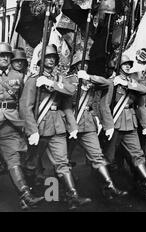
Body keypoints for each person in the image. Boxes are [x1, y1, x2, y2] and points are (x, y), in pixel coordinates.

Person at [19, 45, 92, 211]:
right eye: (48, 57)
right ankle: (27, 196)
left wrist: (51, 83)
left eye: (54, 57)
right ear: (41, 60)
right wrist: (32, 130)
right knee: (31, 163)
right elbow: (25, 107)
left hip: (57, 126)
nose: (51, 60)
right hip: (40, 126)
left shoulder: (59, 79)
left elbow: (71, 91)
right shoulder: (33, 80)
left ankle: (72, 196)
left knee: (62, 161)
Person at [102, 55, 146, 196]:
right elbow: (105, 105)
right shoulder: (112, 82)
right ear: (118, 66)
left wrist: (127, 85)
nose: (127, 66)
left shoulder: (133, 82)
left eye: (129, 64)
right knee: (109, 157)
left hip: (130, 123)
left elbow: (144, 91)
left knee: (137, 153)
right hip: (115, 123)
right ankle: (105, 185)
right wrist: (108, 125)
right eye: (124, 64)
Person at [65, 54, 127, 200]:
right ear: (75, 64)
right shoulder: (68, 80)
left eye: (87, 62)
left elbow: (108, 84)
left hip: (87, 123)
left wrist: (88, 77)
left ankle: (109, 186)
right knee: (63, 158)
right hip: (70, 122)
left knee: (97, 155)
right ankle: (66, 192)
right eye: (82, 62)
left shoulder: (89, 79)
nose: (85, 65)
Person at [0, 42, 44, 210]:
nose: (4, 58)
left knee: (13, 158)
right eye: (1, 55)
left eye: (7, 56)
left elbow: (23, 102)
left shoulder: (18, 77)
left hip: (9, 123)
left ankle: (26, 195)